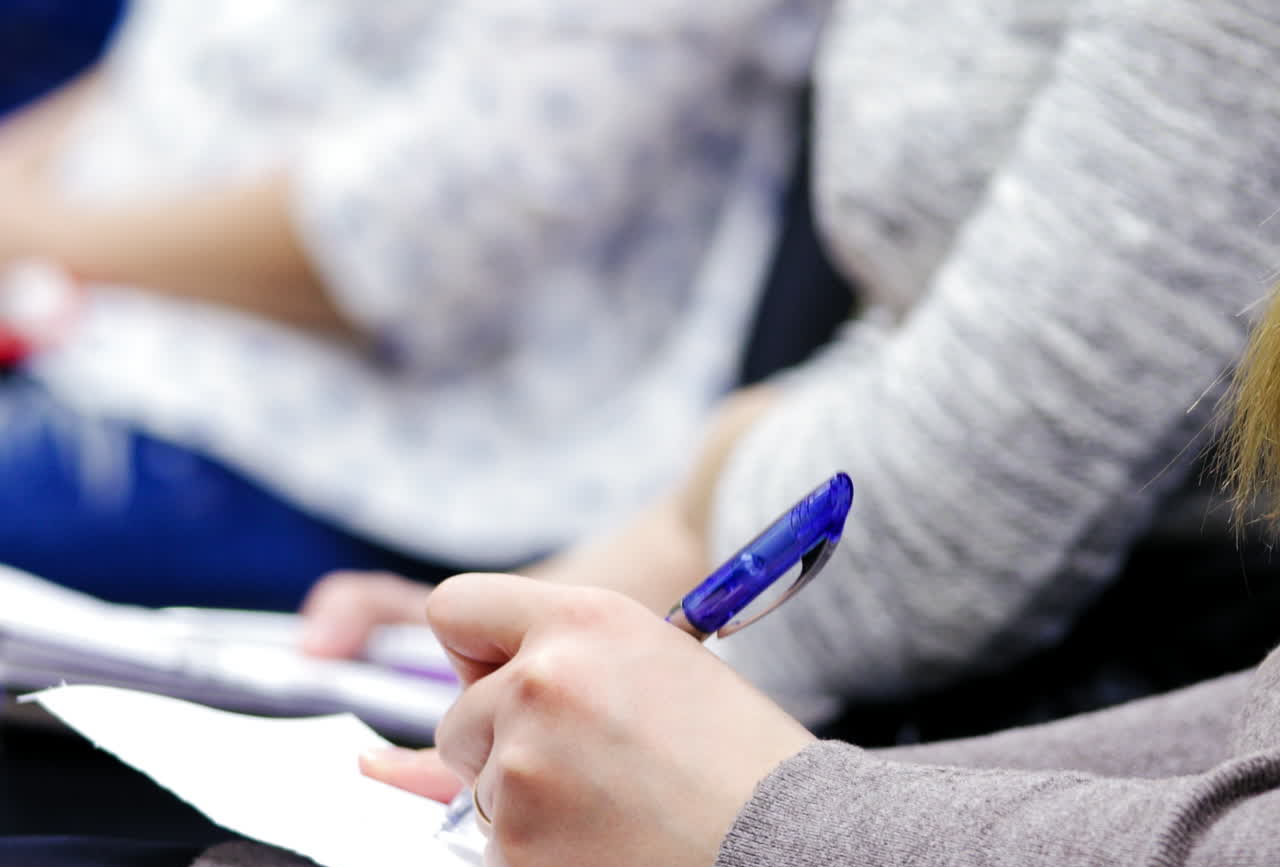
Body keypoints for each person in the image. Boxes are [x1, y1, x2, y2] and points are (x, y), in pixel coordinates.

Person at [9, 2, 1280, 867]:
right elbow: (912, 341)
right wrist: (577, 609)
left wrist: (750, 818)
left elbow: (974, 480)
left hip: (1056, 854)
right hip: (1000, 799)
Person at [303, 0, 1280, 748]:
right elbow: (928, 316)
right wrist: (554, 608)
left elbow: (972, 499)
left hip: (1137, 705)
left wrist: (714, 485)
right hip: (875, 600)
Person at [0, 0, 824, 608]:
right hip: (100, 326)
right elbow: (187, 60)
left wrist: (40, 234)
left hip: (347, 451)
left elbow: (403, 244)